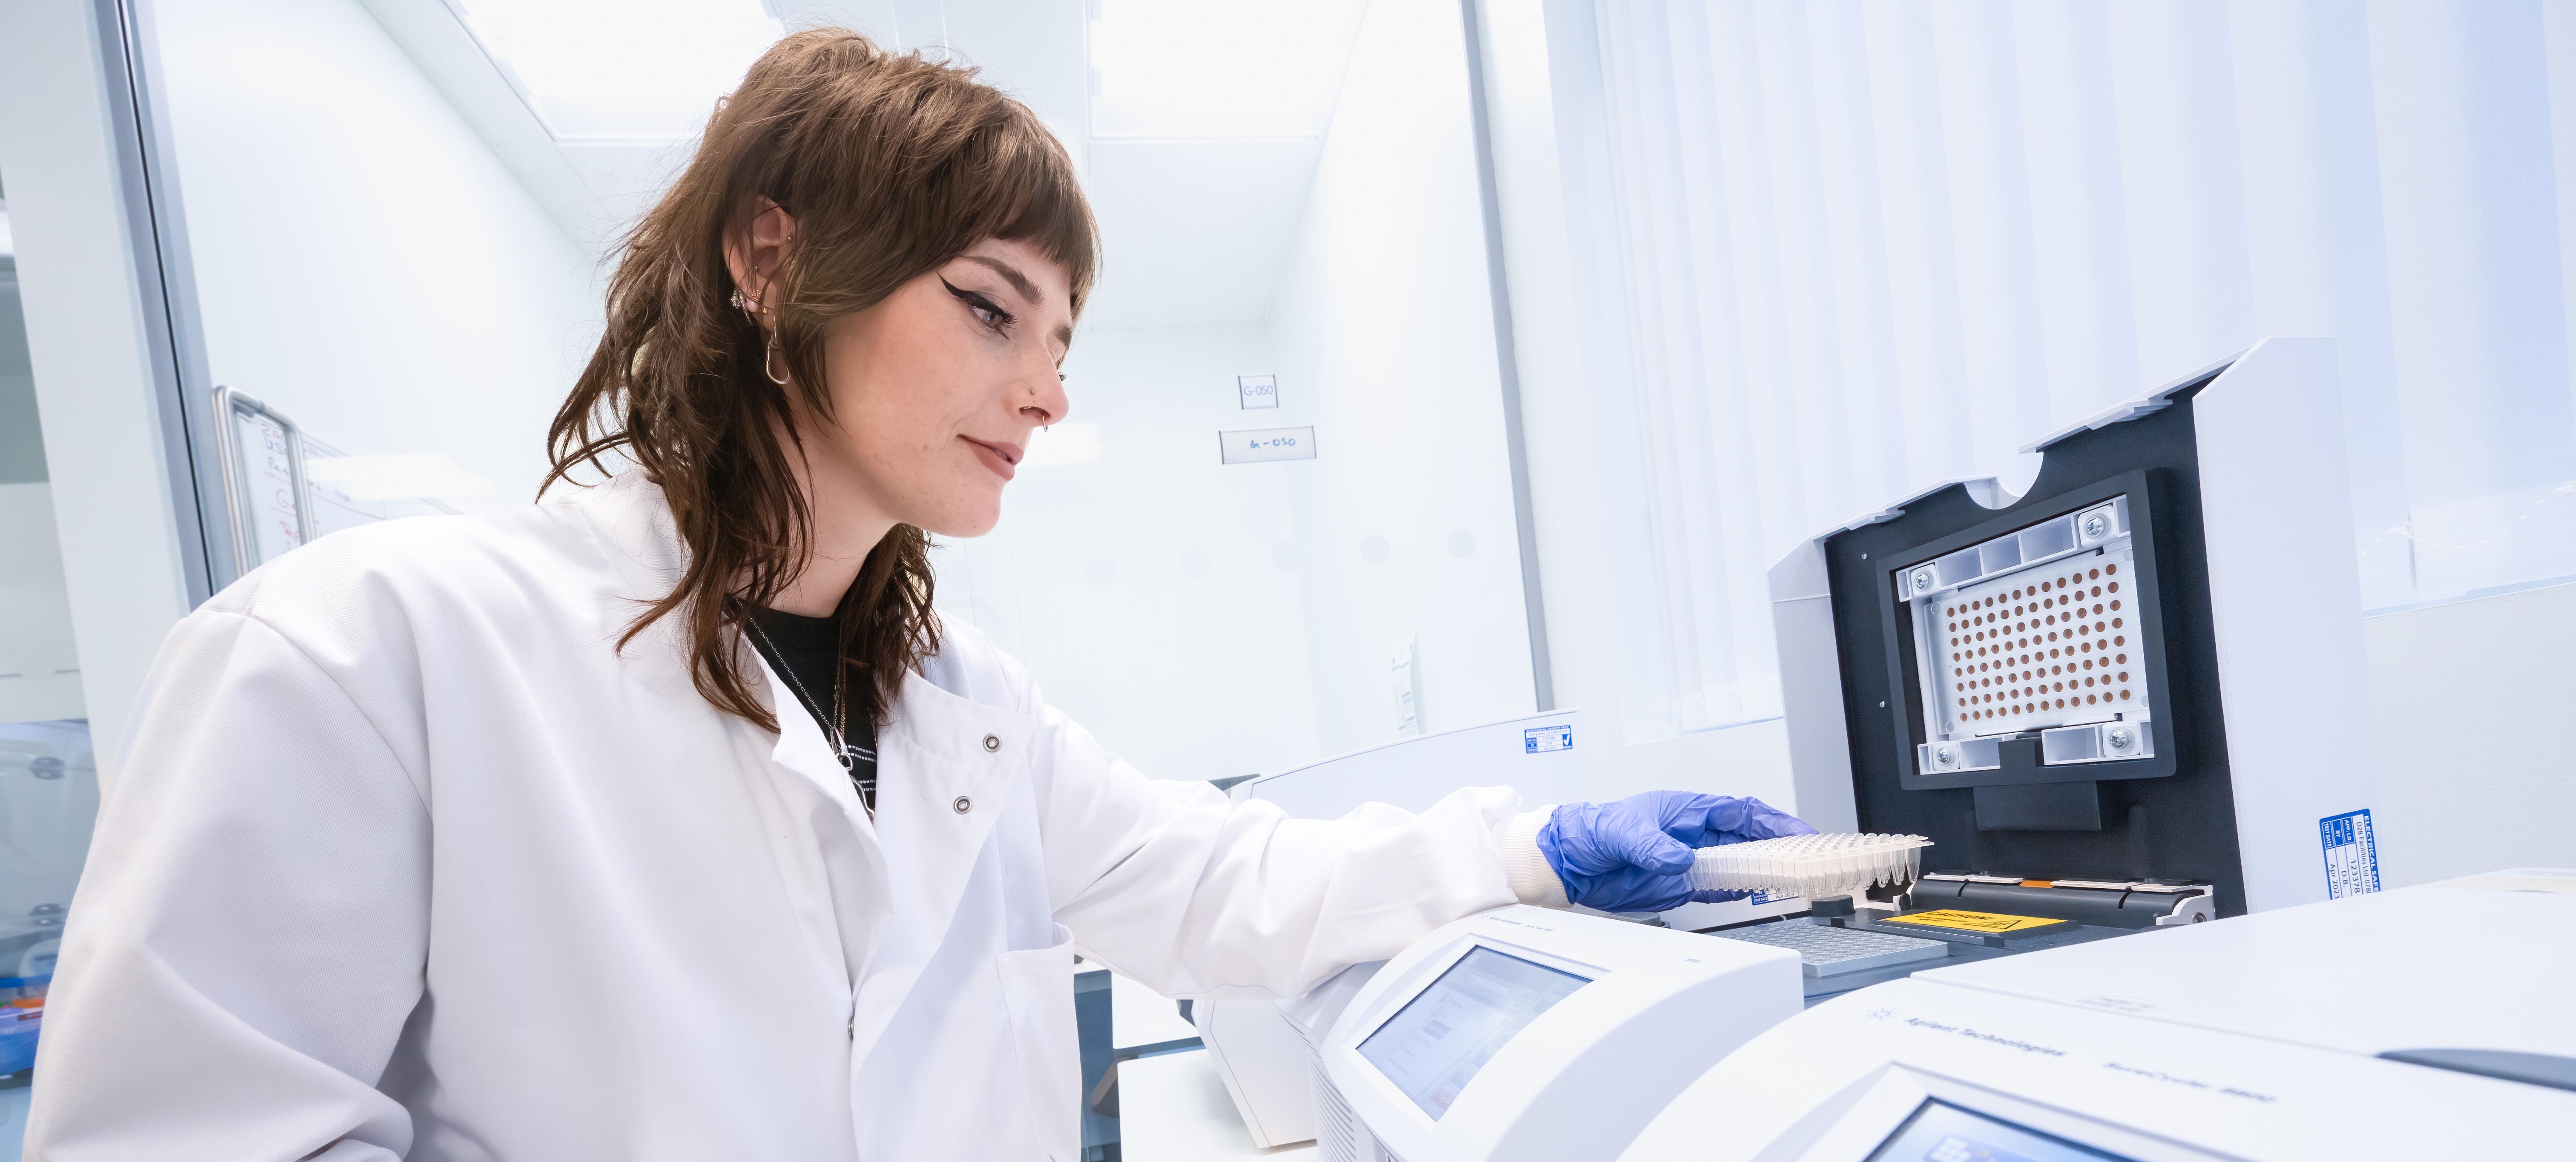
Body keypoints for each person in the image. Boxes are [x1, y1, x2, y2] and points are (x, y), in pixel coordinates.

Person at [25, 29, 1810, 1162]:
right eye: (990, 306)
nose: (1047, 390)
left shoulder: (960, 710)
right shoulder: (366, 657)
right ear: (772, 258)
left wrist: (1533, 849)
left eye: (1062, 336)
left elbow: (1215, 880)